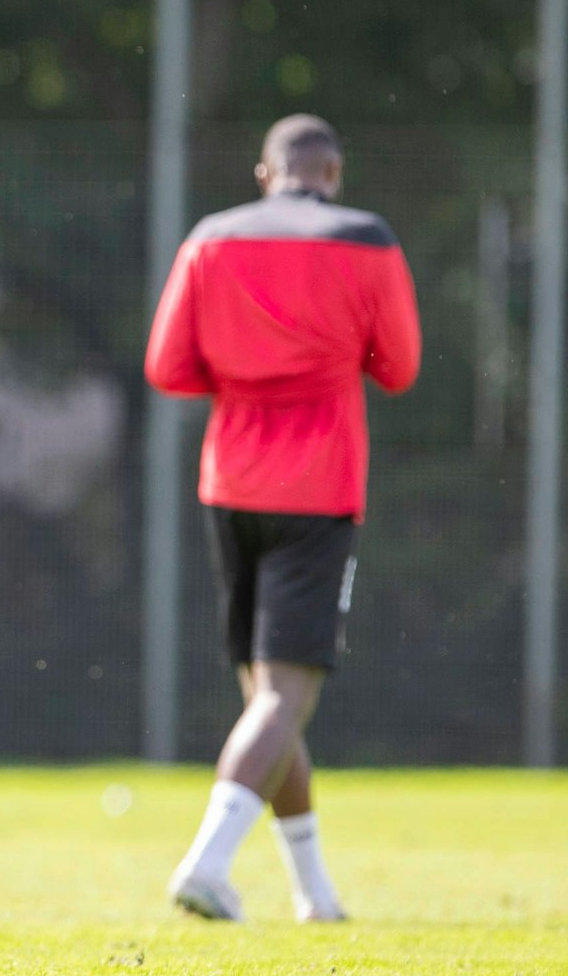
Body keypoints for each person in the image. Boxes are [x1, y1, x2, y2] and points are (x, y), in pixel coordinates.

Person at [144, 115, 421, 923]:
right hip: (320, 488)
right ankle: (206, 862)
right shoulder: (367, 240)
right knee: (286, 697)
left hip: (229, 484)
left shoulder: (211, 237)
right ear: (332, 173)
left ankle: (314, 893)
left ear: (267, 174)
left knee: (270, 698)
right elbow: (398, 368)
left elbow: (167, 366)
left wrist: (246, 377)